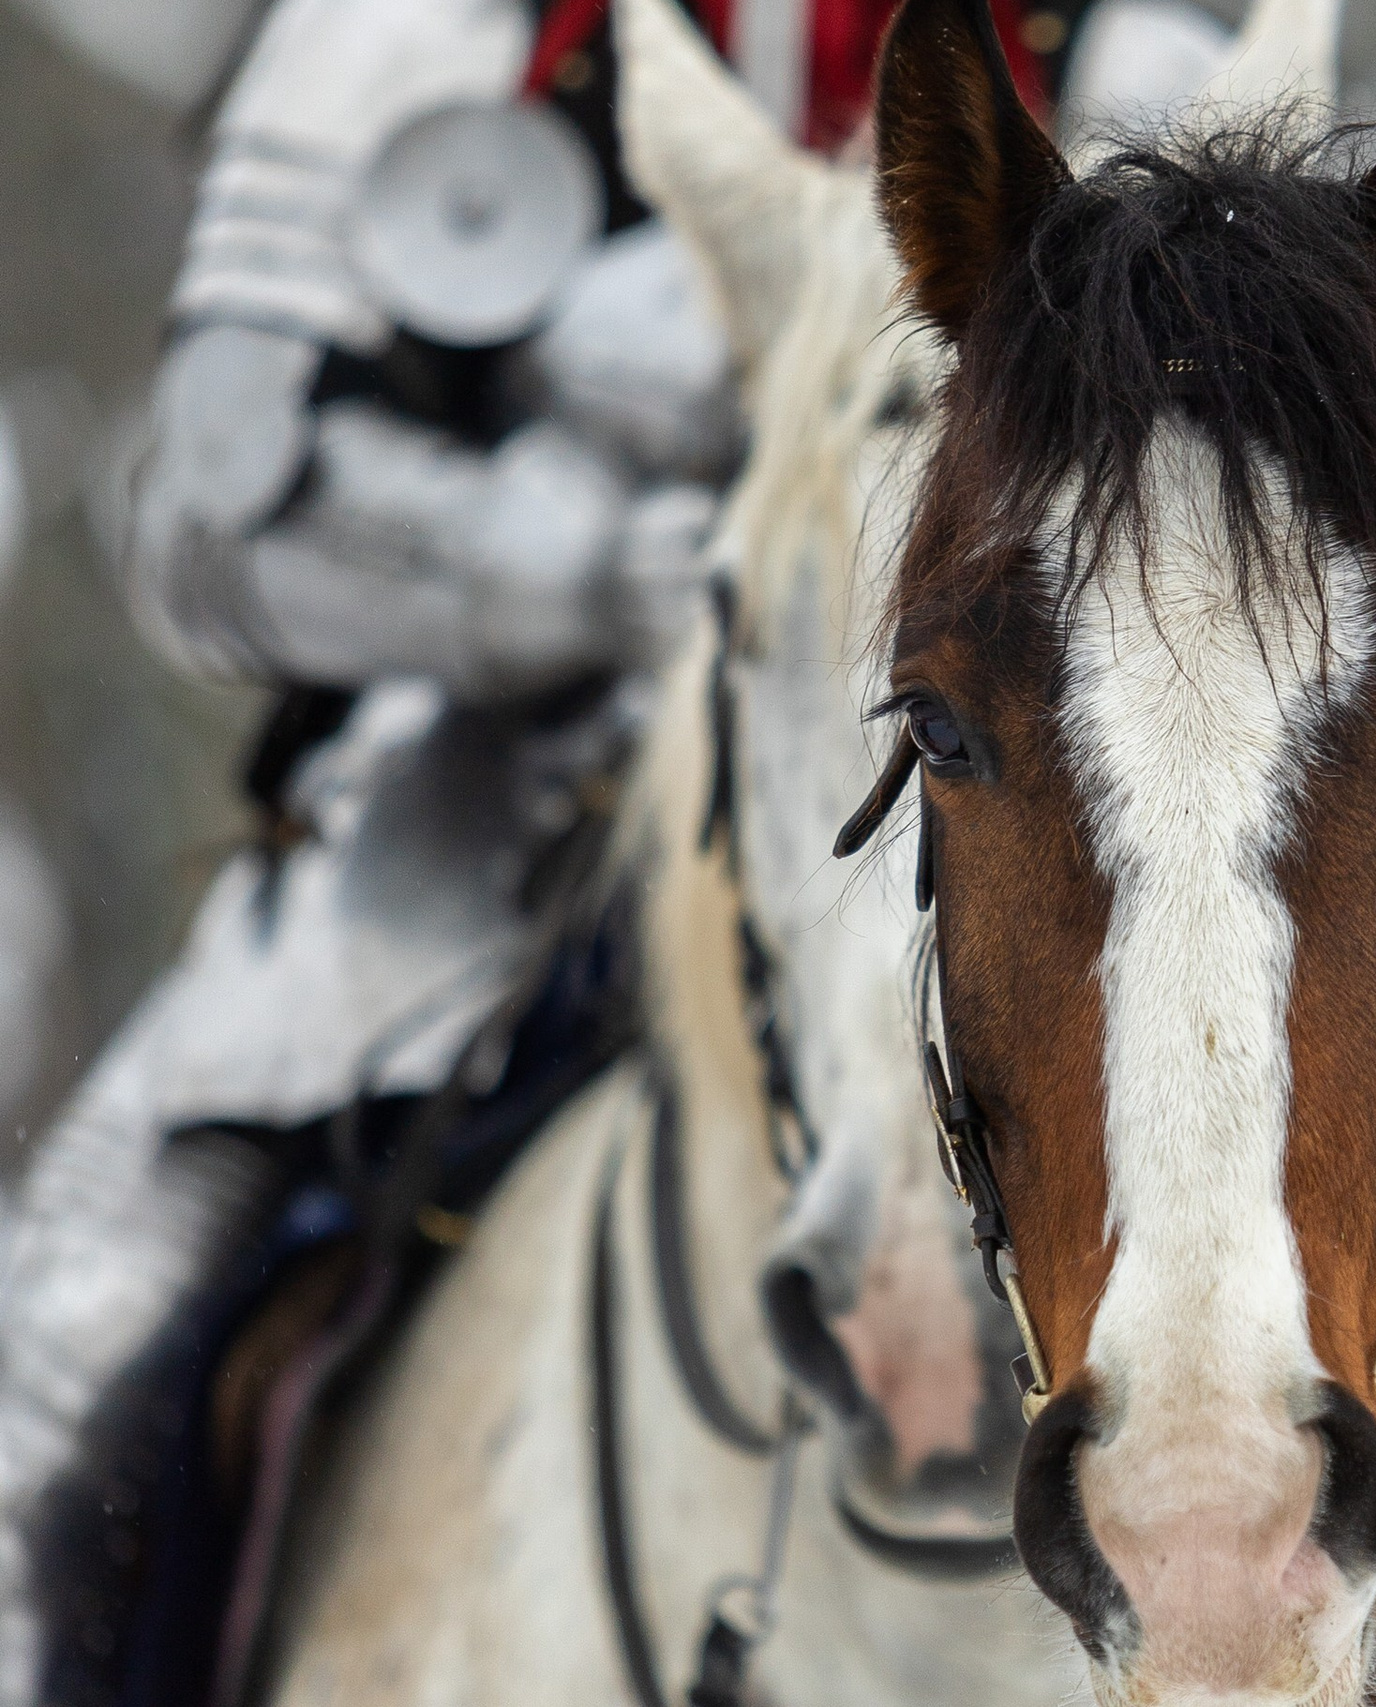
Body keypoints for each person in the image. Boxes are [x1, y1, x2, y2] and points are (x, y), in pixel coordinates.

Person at [0, 2, 1141, 1702]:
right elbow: (209, 504)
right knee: (81, 1343)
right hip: (492, 806)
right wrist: (567, 570)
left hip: (1037, 794)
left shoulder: (1137, 28)